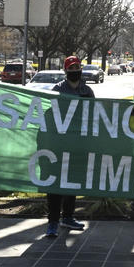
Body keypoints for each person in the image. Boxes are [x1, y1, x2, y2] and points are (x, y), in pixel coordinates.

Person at [44, 55, 93, 237]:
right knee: (55, 183)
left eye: (77, 68)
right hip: (58, 144)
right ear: (66, 71)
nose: (75, 72)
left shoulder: (87, 91)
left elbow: (94, 115)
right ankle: (53, 222)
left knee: (72, 181)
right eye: (71, 69)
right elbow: (51, 114)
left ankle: (68, 217)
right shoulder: (57, 90)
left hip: (78, 144)